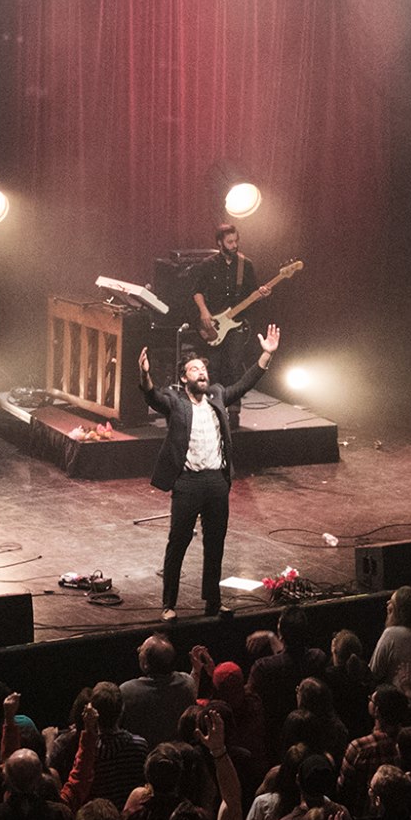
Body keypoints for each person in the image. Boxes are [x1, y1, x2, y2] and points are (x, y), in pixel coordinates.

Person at [138, 325, 282, 620]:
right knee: (177, 544)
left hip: (216, 481)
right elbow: (152, 396)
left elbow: (243, 384)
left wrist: (266, 355)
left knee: (214, 544)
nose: (201, 373)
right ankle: (169, 605)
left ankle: (213, 602)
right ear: (183, 378)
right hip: (188, 483)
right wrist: (145, 374)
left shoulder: (217, 396)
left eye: (203, 369)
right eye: (194, 370)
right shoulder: (175, 402)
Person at [188, 222, 271, 426]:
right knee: (212, 367)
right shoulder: (208, 265)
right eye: (230, 242)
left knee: (234, 366)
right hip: (213, 322)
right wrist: (204, 312)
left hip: (237, 323)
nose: (234, 245)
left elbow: (252, 293)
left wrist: (261, 295)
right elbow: (196, 290)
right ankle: (211, 409)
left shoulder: (245, 265)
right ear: (220, 243)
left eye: (236, 241)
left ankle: (233, 413)